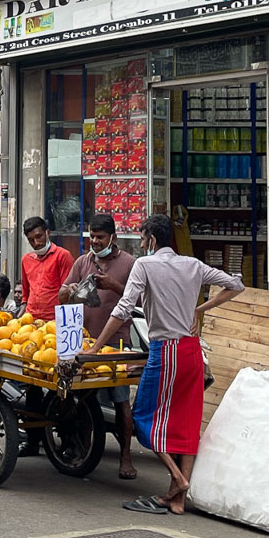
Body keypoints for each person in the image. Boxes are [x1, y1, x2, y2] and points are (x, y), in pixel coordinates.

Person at [83, 213, 243, 516]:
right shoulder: (193, 265)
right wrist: (199, 309)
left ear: (152, 240)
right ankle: (177, 500)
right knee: (186, 422)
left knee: (143, 416)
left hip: (166, 351)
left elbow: (123, 308)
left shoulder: (146, 265)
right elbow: (236, 285)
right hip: (192, 351)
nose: (142, 244)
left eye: (142, 238)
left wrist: (95, 347)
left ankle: (179, 480)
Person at [59, 213, 138, 480]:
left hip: (116, 344)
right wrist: (68, 291)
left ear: (112, 237)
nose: (94, 241)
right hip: (84, 341)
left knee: (121, 401)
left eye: (100, 237)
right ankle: (82, 449)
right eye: (91, 236)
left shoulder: (129, 263)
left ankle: (126, 456)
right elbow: (62, 293)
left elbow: (137, 300)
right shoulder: (83, 262)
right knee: (81, 398)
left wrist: (113, 285)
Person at [18, 216, 73, 323]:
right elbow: (26, 295)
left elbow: (68, 294)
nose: (36, 243)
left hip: (54, 320)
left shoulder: (62, 256)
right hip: (31, 319)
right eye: (31, 240)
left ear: (47, 233)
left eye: (39, 237)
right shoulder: (25, 260)